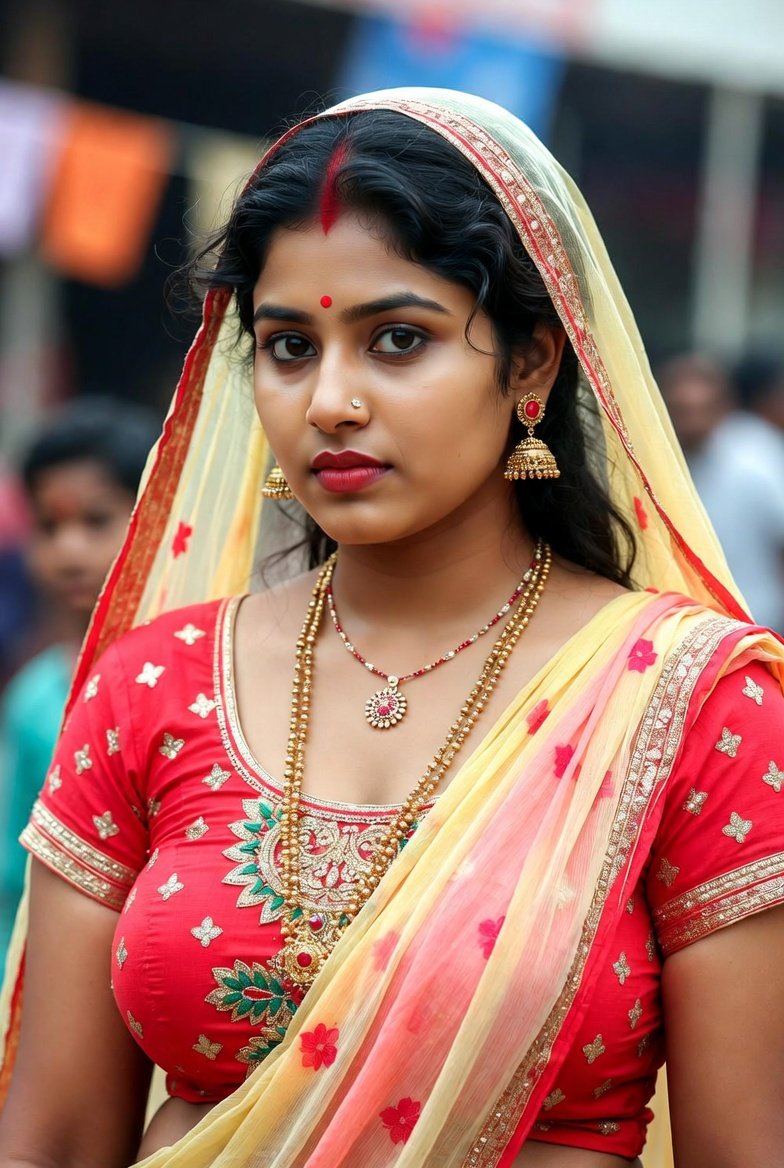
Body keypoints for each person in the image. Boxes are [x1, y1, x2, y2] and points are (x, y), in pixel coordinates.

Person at [1, 89, 783, 1168]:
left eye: (397, 339)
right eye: (287, 346)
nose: (328, 400)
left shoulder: (688, 700)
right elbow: (51, 1139)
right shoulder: (152, 687)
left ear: (530, 364)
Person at [0, 398, 160, 968]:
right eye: (49, 527)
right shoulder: (38, 696)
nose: (68, 552)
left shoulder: (199, 676)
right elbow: (12, 878)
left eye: (95, 521)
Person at [659, 353, 784, 632]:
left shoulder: (760, 455)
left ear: (724, 406)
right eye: (682, 409)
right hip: (680, 624)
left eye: (702, 408)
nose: (693, 421)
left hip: (758, 621)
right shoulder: (650, 459)